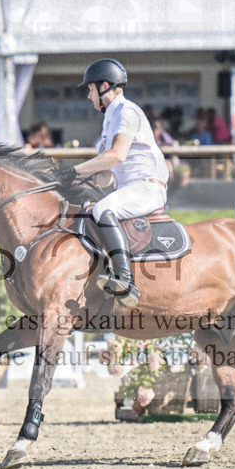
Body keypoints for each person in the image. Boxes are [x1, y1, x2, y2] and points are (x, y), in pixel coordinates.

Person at [54, 59, 168, 307]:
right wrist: (69, 181)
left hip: (147, 186)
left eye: (90, 89)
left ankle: (125, 280)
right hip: (131, 187)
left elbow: (117, 155)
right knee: (90, 207)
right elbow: (105, 175)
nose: (88, 95)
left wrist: (74, 170)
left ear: (104, 86)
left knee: (102, 210)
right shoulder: (110, 121)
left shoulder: (127, 112)